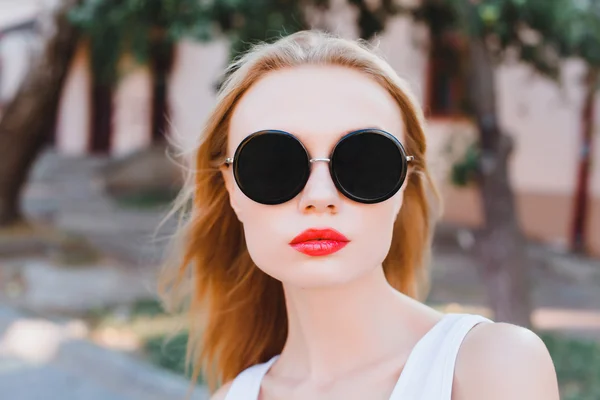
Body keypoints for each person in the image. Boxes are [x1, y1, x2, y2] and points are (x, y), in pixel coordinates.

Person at [158, 31, 559, 400]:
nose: (319, 197)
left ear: (404, 184)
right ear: (230, 188)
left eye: (365, 161)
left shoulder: (493, 367)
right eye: (273, 163)